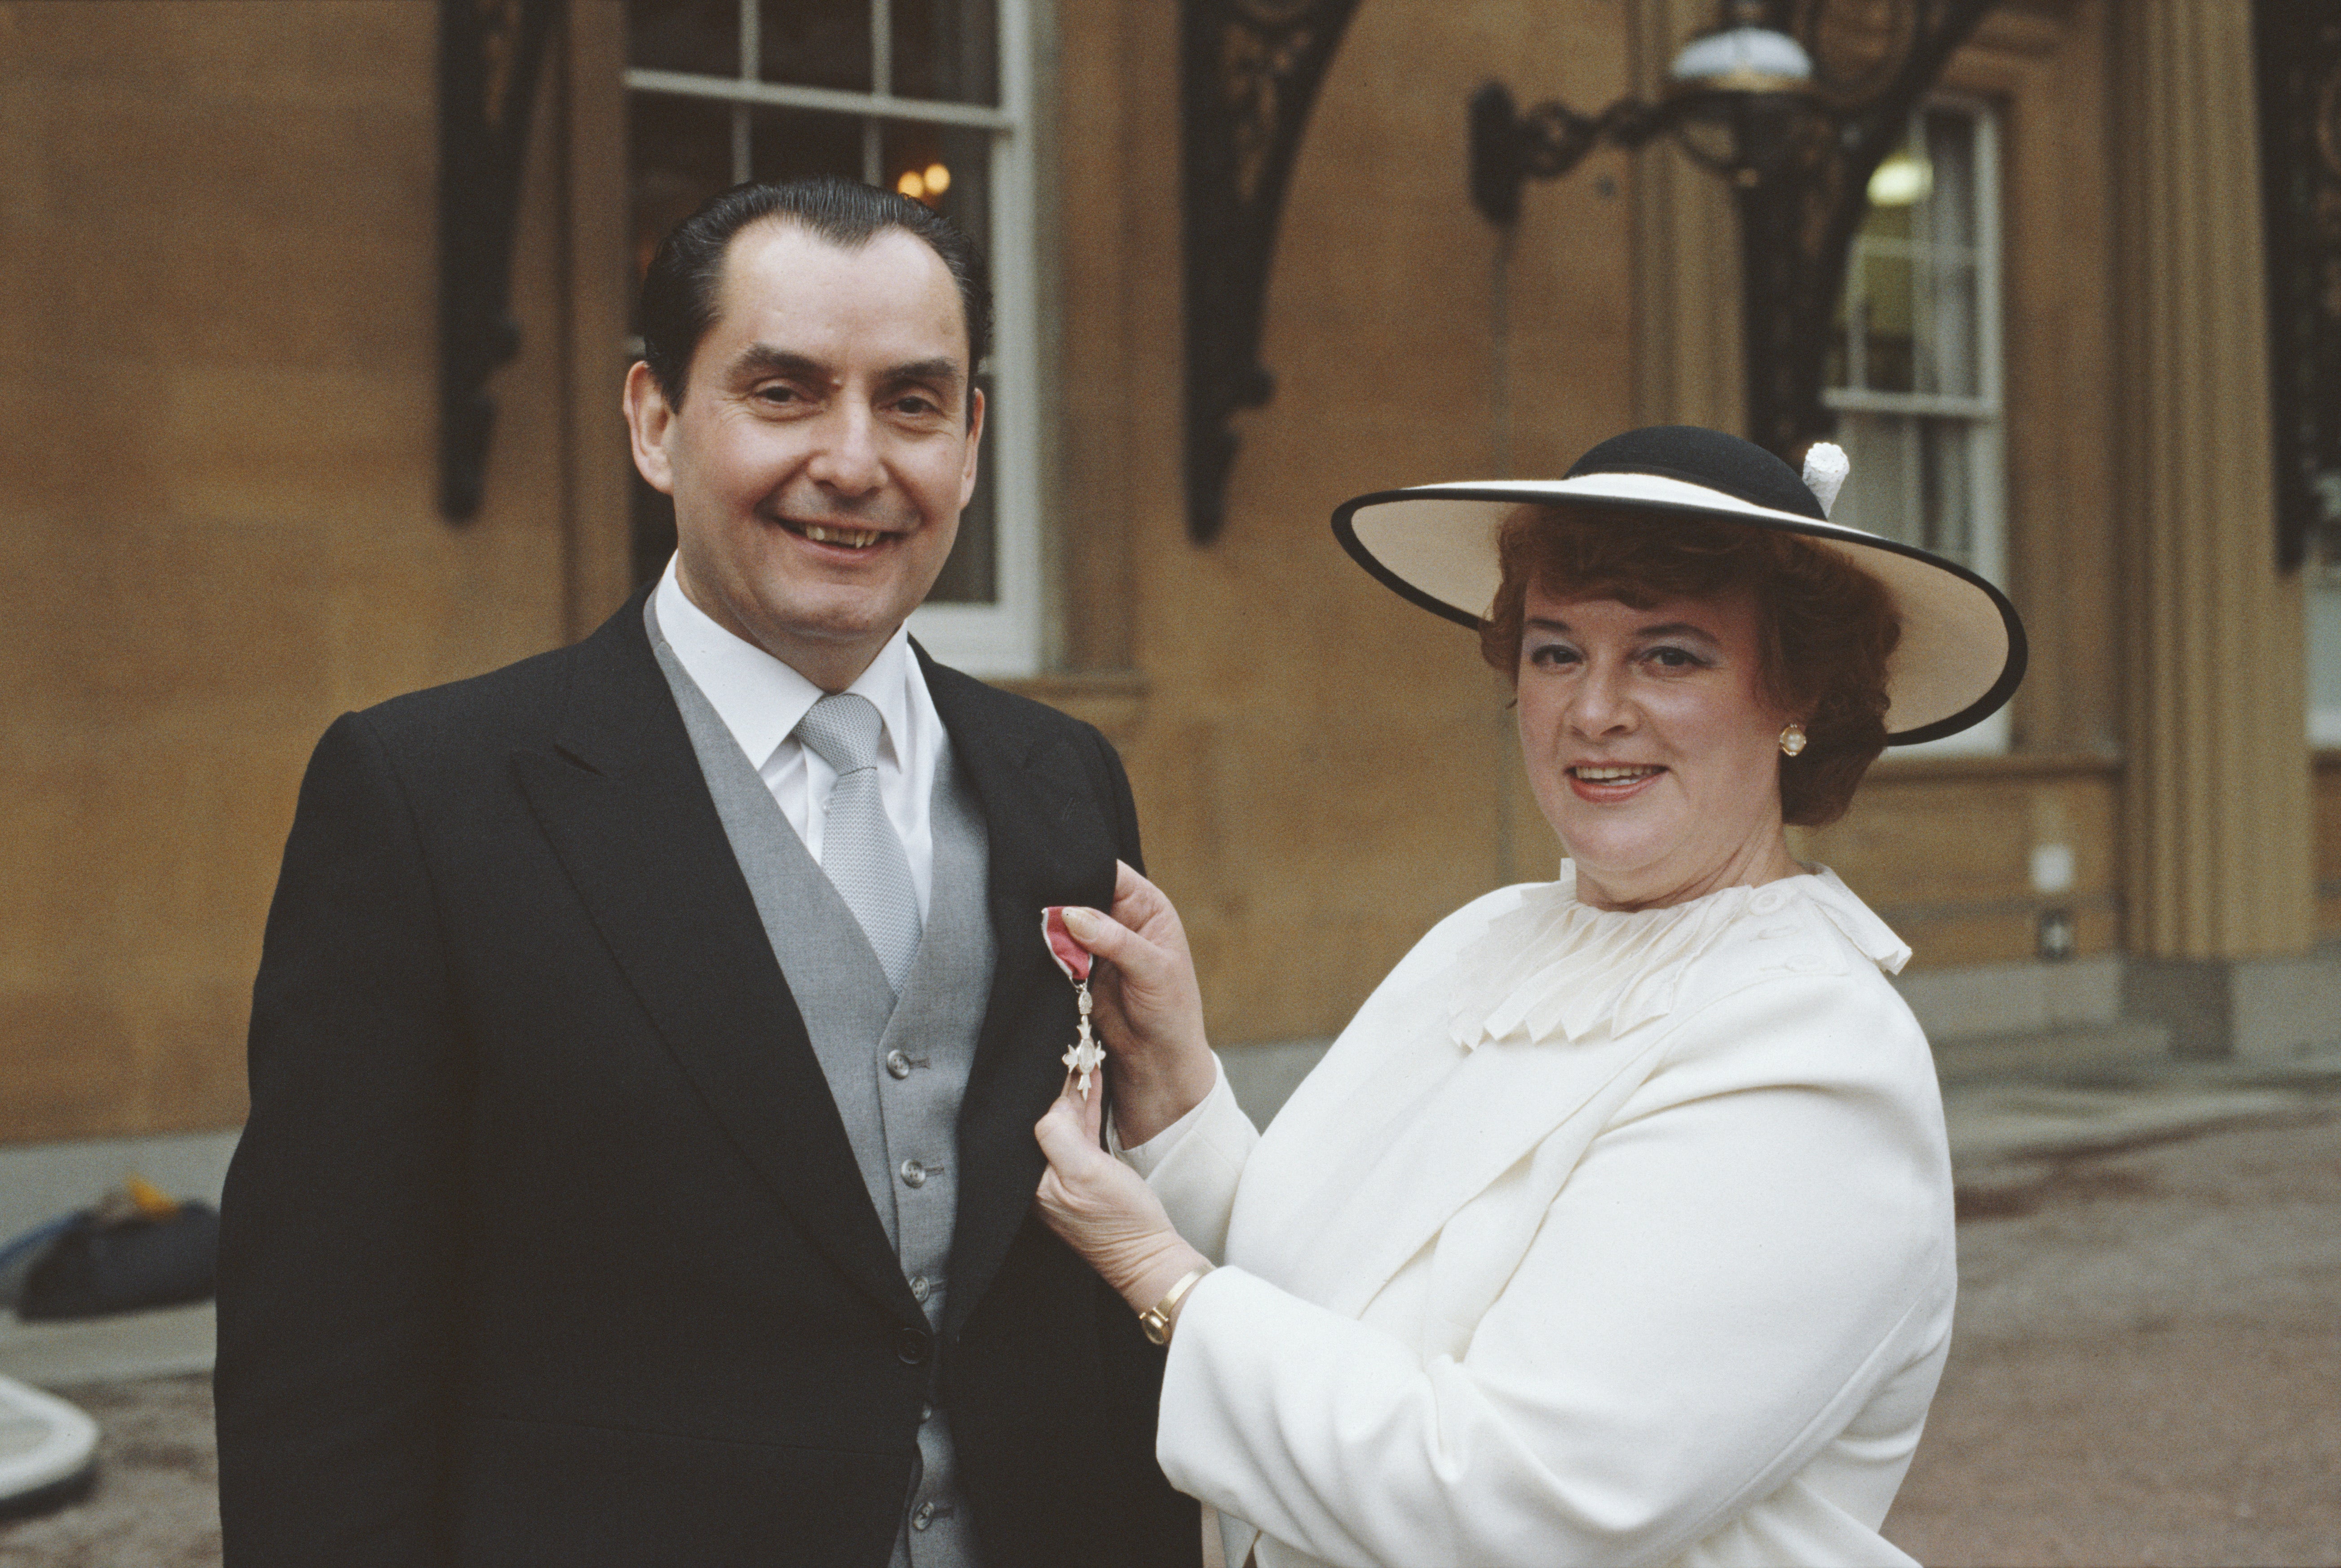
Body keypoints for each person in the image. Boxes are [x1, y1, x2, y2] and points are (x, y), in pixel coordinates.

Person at [215, 177, 1196, 1567]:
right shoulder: (428, 796)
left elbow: (1077, 1300)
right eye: (784, 392)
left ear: (971, 442)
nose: (854, 462)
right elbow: (324, 1362)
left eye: (911, 402)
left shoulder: (1061, 779)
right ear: (656, 422)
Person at [1031, 424, 2026, 1568]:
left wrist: (1160, 1284)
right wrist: (1171, 1089)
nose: (1593, 710)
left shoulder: (1810, 1046)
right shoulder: (1492, 937)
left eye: (1668, 657)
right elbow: (1329, 1299)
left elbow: (1524, 1504)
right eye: (1556, 653)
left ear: (1793, 695)